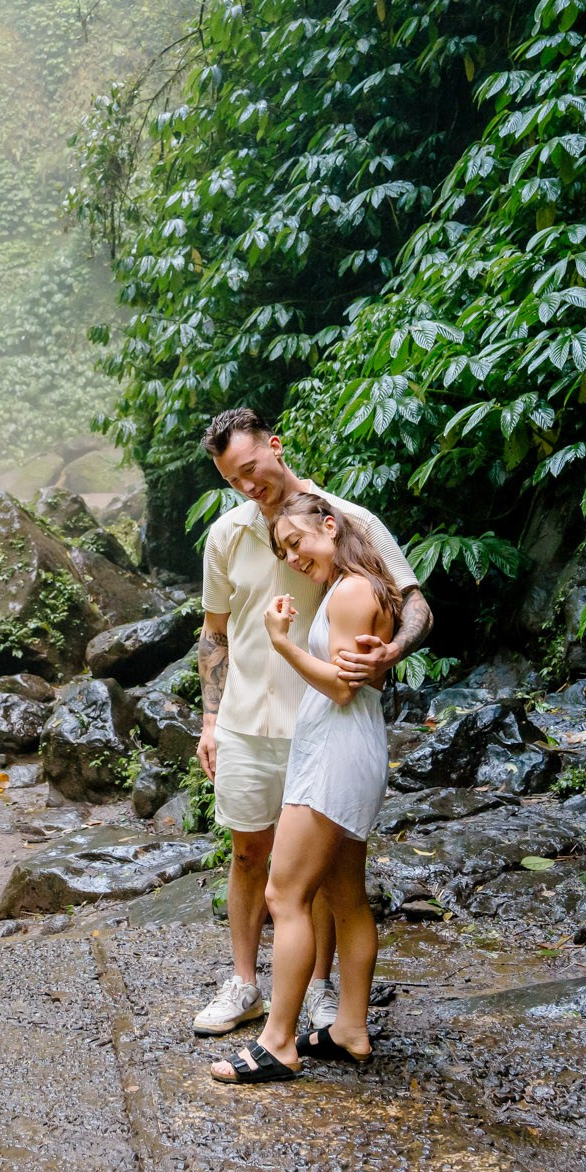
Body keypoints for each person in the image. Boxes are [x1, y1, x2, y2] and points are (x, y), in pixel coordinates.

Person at [191, 408, 433, 1039]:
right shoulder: (227, 537)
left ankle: (319, 993)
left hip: (322, 722)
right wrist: (210, 717)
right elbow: (213, 635)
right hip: (247, 720)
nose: (246, 487)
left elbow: (414, 603)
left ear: (275, 446)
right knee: (248, 853)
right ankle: (244, 983)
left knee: (316, 875)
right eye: (231, 479)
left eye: (250, 469)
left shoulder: (348, 522)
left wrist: (394, 650)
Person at [210, 492, 398, 1083]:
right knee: (346, 895)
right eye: (284, 550)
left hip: (333, 758)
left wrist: (282, 642)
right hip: (357, 750)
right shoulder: (369, 585)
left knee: (284, 896)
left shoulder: (348, 592)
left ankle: (278, 1042)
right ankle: (349, 1028)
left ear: (330, 524)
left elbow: (341, 687)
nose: (293, 557)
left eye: (298, 542)